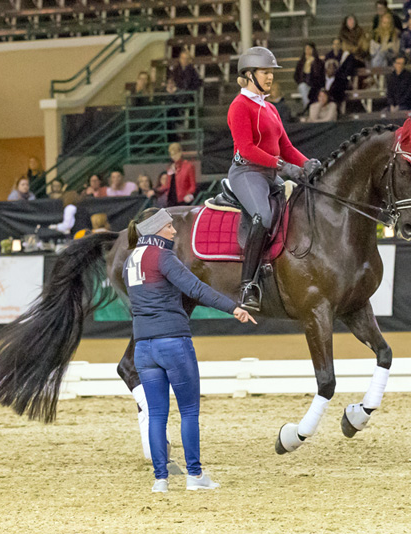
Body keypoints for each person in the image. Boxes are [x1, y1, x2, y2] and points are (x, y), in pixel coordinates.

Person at [124, 207, 256, 493]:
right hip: (173, 340)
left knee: (157, 414)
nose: (173, 231)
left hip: (143, 347)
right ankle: (194, 475)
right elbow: (195, 289)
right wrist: (233, 307)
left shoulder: (130, 261)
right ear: (157, 229)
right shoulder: (163, 256)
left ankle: (160, 479)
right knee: (189, 411)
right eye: (169, 227)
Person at [227, 47, 320, 310]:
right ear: (248, 75)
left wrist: (306, 163)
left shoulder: (270, 108)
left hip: (270, 173)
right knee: (263, 217)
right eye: (265, 72)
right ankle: (248, 286)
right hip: (247, 172)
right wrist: (282, 167)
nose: (270, 77)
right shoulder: (238, 106)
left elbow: (287, 147)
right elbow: (246, 149)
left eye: (270, 72)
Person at [159, 143, 196, 207]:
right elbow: (167, 185)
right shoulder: (170, 167)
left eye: (176, 154)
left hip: (183, 200)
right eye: (172, 154)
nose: (174, 157)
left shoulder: (188, 166)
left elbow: (193, 185)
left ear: (180, 152)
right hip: (171, 200)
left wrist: (188, 194)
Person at [294, 42, 325, 111]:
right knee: (302, 86)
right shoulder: (301, 63)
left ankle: (309, 108)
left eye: (309, 49)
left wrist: (313, 65)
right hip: (304, 85)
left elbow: (320, 76)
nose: (308, 51)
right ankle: (309, 107)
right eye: (306, 49)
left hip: (315, 86)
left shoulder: (319, 63)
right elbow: (296, 76)